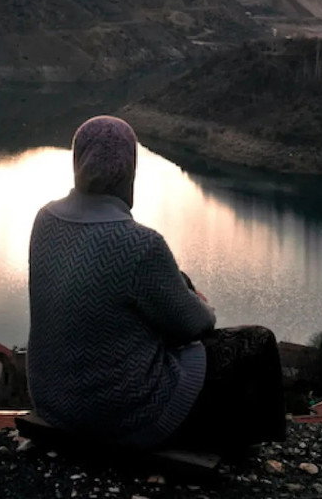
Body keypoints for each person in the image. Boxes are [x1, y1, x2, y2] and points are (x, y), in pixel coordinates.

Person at [26, 115, 286, 452]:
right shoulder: (140, 245)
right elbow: (195, 325)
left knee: (176, 283)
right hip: (119, 416)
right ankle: (267, 454)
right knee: (257, 341)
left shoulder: (44, 220)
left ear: (78, 160)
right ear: (129, 170)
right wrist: (200, 303)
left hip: (53, 402)